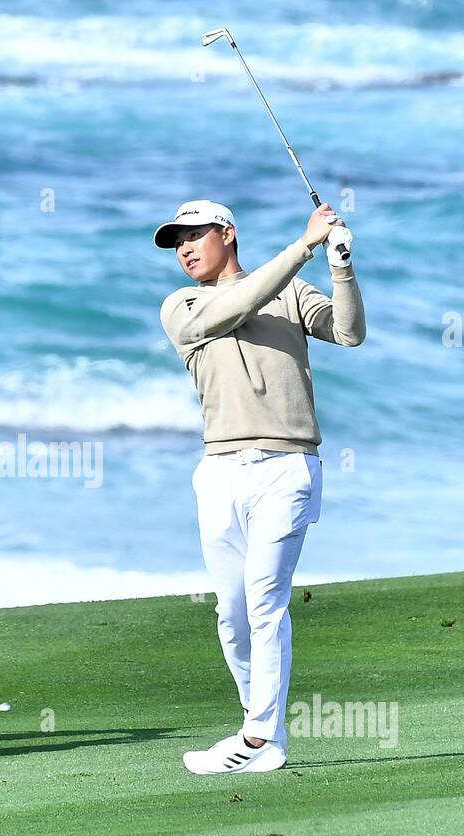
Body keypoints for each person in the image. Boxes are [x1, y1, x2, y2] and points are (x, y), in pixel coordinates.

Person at [155, 199, 365, 774]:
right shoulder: (183, 305)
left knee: (265, 597)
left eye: (195, 236)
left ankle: (257, 739)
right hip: (219, 470)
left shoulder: (291, 292)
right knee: (232, 610)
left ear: (228, 234)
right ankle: (261, 727)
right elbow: (236, 306)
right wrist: (304, 246)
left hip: (287, 467)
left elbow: (348, 332)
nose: (185, 249)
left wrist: (340, 262)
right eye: (177, 242)